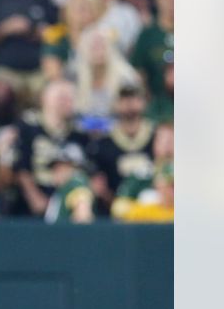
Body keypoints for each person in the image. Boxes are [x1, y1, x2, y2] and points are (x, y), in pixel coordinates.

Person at [10, 79, 88, 217]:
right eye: (61, 97)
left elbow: (89, 169)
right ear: (44, 98)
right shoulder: (28, 127)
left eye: (70, 97)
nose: (66, 101)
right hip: (33, 205)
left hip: (71, 201)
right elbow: (20, 167)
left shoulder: (79, 133)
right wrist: (35, 197)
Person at [87, 83, 154, 213]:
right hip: (113, 211)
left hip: (153, 209)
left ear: (144, 102)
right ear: (116, 104)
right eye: (123, 98)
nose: (129, 103)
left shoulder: (157, 138)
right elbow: (98, 185)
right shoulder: (103, 144)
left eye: (134, 97)